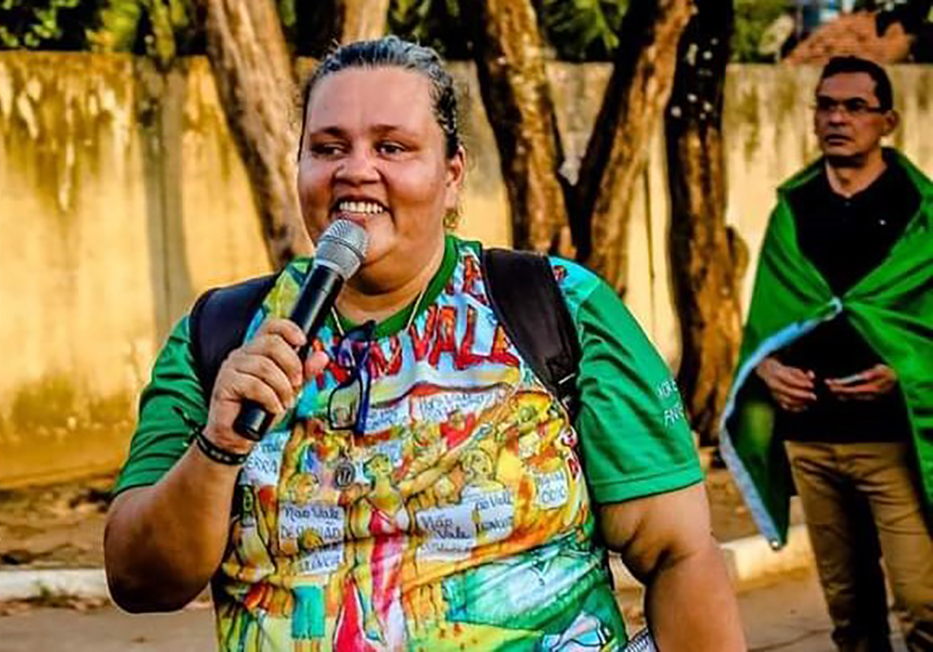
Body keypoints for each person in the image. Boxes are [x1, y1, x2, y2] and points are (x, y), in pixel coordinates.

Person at [104, 36, 744, 650]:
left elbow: (681, 552)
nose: (356, 171)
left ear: (452, 173)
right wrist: (219, 448)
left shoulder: (557, 309)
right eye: (328, 148)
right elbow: (139, 580)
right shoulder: (221, 336)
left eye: (392, 147)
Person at [721, 55, 933, 651]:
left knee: (923, 604)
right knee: (848, 612)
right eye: (826, 105)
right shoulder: (794, 209)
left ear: (887, 120)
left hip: (893, 442)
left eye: (855, 107)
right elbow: (769, 319)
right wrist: (767, 369)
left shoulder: (919, 212)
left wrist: (903, 370)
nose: (837, 118)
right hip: (810, 440)